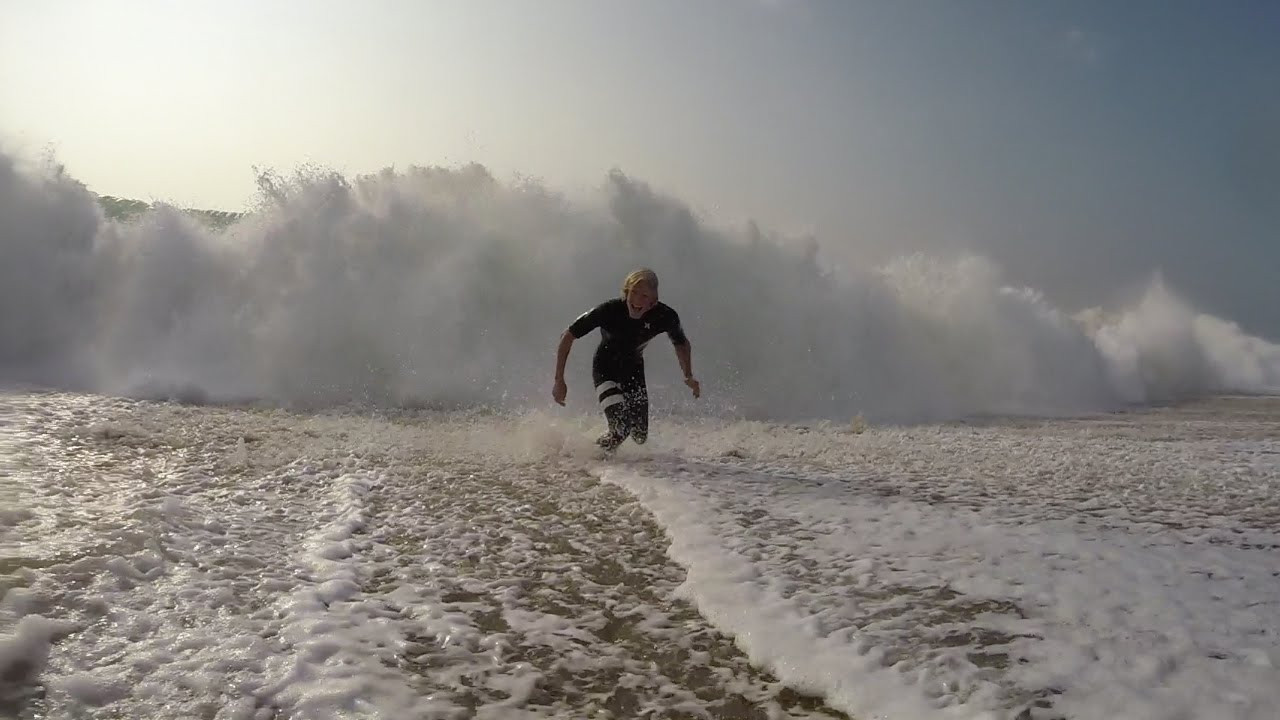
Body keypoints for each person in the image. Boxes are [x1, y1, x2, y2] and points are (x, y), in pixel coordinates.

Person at [553, 268, 700, 450]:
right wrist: (559, 380)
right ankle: (591, 456)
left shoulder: (665, 316)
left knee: (639, 436)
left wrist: (688, 375)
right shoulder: (609, 310)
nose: (637, 299)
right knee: (621, 429)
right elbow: (567, 336)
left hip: (633, 370)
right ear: (626, 292)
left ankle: (599, 450)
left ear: (654, 301)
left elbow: (682, 344)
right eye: (634, 293)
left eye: (644, 296)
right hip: (606, 368)